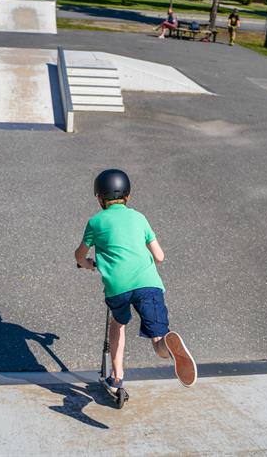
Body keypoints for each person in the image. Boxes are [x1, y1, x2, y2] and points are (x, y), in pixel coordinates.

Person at [75, 169, 197, 394]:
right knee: (158, 340)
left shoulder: (95, 221)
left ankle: (117, 376)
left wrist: (89, 265)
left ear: (99, 197)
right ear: (128, 197)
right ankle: (168, 345)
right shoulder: (139, 217)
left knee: (118, 323)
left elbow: (79, 256)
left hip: (118, 288)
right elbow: (160, 257)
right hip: (147, 283)